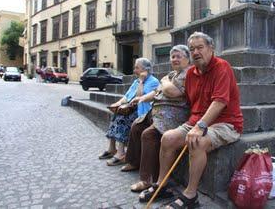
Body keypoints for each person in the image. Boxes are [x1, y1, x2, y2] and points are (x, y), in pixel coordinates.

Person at [139, 32, 244, 208]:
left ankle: (190, 195)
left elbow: (219, 102)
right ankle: (161, 184)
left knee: (197, 141)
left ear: (211, 48)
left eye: (200, 47)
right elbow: (184, 99)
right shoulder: (191, 74)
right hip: (195, 121)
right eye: (192, 49)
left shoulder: (222, 67)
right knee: (168, 138)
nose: (195, 52)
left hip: (225, 123)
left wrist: (201, 125)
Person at [120, 45, 191, 193]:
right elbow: (157, 91)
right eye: (173, 57)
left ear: (187, 59)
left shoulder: (188, 73)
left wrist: (164, 82)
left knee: (148, 135)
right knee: (136, 126)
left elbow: (172, 91)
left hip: (173, 114)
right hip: (158, 111)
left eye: (179, 56)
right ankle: (133, 161)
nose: (175, 59)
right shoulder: (171, 74)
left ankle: (147, 180)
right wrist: (142, 98)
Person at [99, 58, 159, 166]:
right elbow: (127, 97)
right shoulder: (135, 81)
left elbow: (139, 97)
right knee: (116, 113)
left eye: (137, 67)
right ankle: (112, 148)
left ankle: (121, 153)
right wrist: (117, 104)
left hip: (143, 112)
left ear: (145, 69)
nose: (134, 70)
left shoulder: (153, 81)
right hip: (132, 108)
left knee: (123, 118)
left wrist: (141, 81)